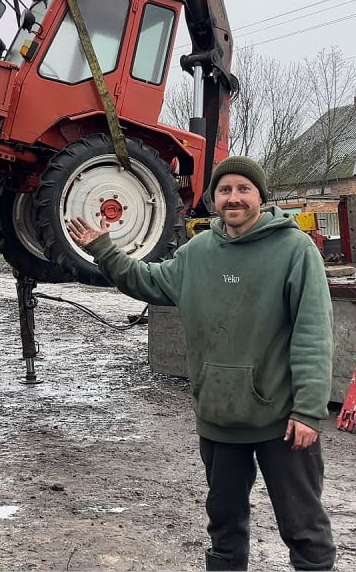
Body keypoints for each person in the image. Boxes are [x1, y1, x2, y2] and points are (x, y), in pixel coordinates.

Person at [66, 155, 336, 571]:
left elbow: (313, 332)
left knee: (303, 526)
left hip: (281, 421)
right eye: (225, 190)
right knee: (224, 527)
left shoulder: (294, 250)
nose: (234, 198)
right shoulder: (198, 252)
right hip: (220, 419)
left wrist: (308, 410)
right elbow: (149, 281)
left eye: (243, 189)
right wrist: (104, 249)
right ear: (213, 198)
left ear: (260, 197)